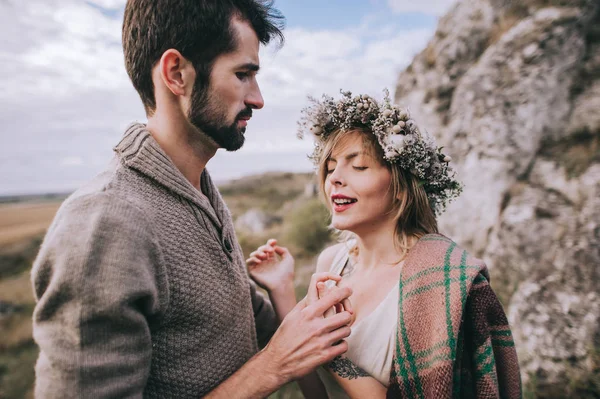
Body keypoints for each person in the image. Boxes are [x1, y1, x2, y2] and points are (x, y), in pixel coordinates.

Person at [30, 1, 354, 398]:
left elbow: (247, 326)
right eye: (243, 75)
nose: (258, 99)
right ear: (176, 74)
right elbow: (276, 356)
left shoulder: (197, 190)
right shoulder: (103, 225)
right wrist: (272, 368)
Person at [247, 90, 523, 398]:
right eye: (330, 167)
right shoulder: (332, 263)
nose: (335, 177)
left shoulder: (440, 281)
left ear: (400, 188)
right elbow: (314, 390)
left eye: (359, 166)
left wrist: (330, 352)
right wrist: (281, 288)